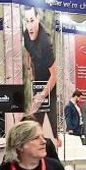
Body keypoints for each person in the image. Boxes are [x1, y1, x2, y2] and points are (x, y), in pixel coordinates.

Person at [21, 7, 58, 140]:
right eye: (27, 21)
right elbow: (28, 52)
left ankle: (54, 141)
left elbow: (54, 75)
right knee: (35, 121)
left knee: (51, 125)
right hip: (37, 82)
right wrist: (30, 71)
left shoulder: (45, 43)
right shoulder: (26, 34)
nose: (29, 26)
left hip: (49, 85)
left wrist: (42, 95)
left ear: (38, 19)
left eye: (32, 20)